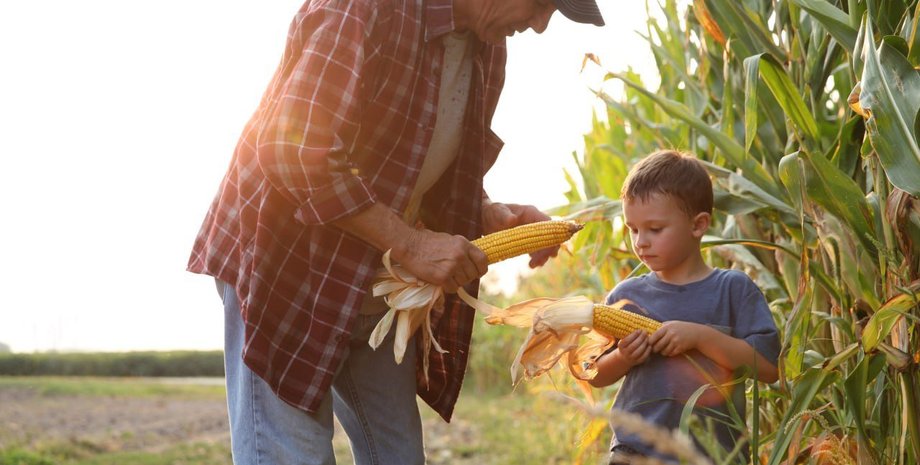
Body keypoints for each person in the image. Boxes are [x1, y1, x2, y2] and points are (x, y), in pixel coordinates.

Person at [187, 0, 606, 463]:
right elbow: (296, 150)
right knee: (293, 453)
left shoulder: (488, 45)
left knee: (398, 455)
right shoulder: (366, 8)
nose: (541, 25)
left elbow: (416, 164)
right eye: (543, 4)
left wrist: (490, 214)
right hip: (288, 259)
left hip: (378, 271)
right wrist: (409, 243)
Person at [588, 150, 781, 465]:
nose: (640, 242)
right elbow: (594, 374)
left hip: (715, 455)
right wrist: (623, 357)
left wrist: (701, 338)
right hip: (635, 453)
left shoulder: (732, 290)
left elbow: (769, 369)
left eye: (655, 229)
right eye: (633, 229)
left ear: (698, 225)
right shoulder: (626, 297)